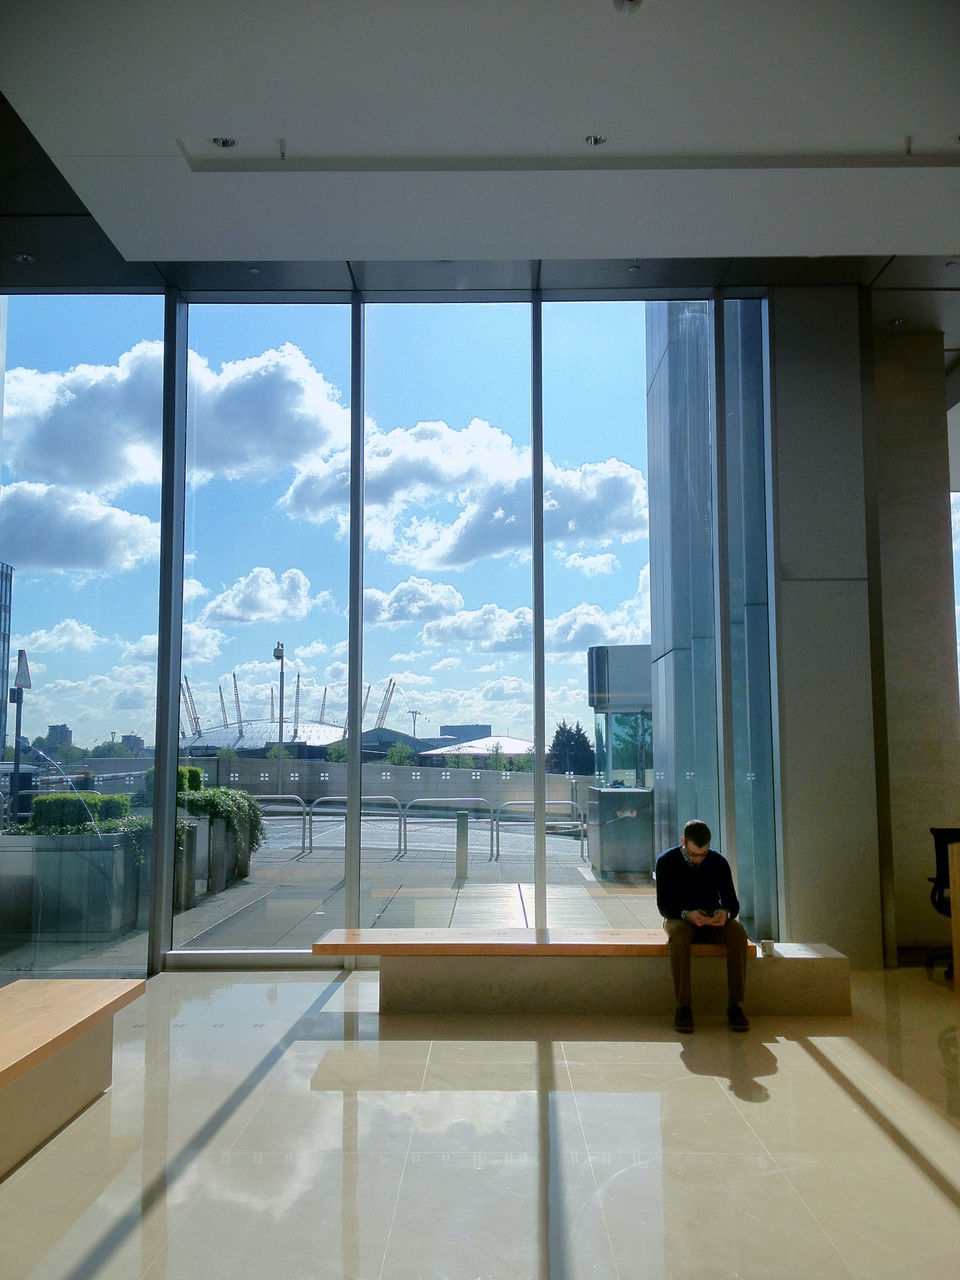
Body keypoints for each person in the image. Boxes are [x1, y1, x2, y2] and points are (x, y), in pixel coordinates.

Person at [655, 819, 749, 1033]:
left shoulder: (718, 862)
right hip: (679, 918)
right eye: (693, 854)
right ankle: (684, 1006)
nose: (698, 860)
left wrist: (725, 913)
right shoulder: (666, 862)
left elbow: (732, 903)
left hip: (710, 919)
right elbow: (664, 906)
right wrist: (686, 915)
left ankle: (735, 1005)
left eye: (703, 855)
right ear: (683, 842)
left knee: (737, 932)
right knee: (678, 936)